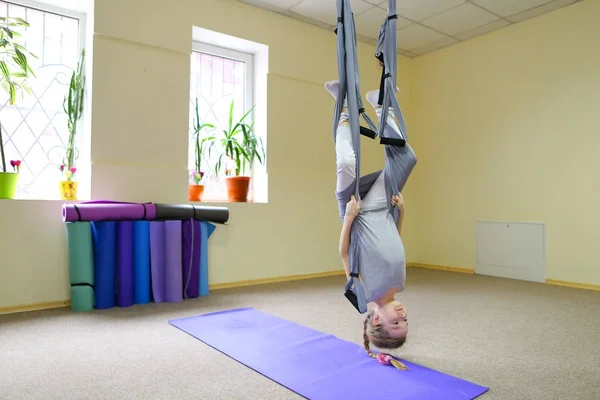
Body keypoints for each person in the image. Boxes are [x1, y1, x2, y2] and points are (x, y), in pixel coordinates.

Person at [325, 79, 410, 370]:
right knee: (406, 157)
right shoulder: (400, 284)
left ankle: (345, 107)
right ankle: (379, 102)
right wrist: (403, 213)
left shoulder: (364, 294)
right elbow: (393, 241)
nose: (401, 314)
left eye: (395, 321)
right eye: (405, 320)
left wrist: (348, 216)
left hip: (356, 210)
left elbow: (344, 253)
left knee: (347, 162)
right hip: (384, 207)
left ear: (376, 319)